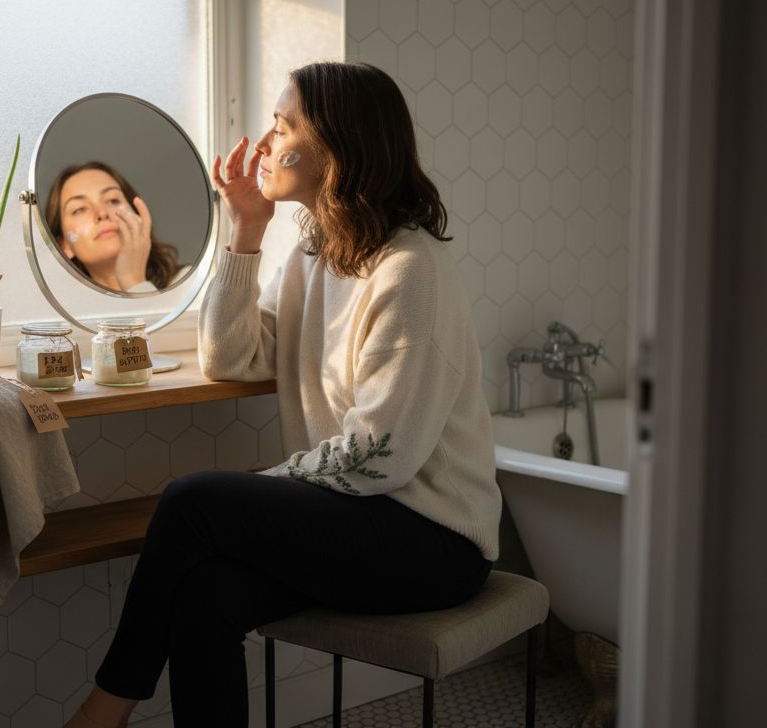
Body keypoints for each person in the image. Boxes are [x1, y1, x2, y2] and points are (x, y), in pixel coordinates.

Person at [65, 62, 502, 728]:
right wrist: (246, 229)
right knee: (205, 593)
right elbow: (230, 356)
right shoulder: (313, 255)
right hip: (356, 519)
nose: (264, 143)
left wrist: (260, 488)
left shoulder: (410, 270)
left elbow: (380, 459)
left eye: (282, 126)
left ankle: (104, 710)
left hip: (432, 539)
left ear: (338, 145)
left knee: (193, 501)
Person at [46, 161, 186, 293]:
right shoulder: (65, 311)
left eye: (113, 200)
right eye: (80, 209)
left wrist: (133, 280)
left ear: (137, 215)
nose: (102, 213)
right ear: (63, 245)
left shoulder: (188, 286)